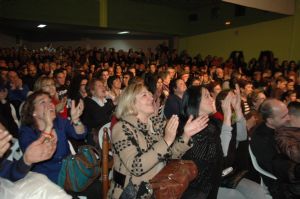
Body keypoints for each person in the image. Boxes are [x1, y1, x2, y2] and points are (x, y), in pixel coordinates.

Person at [109, 82, 209, 199]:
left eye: (150, 94)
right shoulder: (122, 128)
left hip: (158, 187)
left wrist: (186, 135)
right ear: (131, 103)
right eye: (144, 95)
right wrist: (166, 140)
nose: (151, 97)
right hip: (132, 192)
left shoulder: (154, 124)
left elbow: (170, 155)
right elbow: (136, 167)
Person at [19, 90, 87, 184]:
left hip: (71, 172)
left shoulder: (59, 121)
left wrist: (76, 120)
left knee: (96, 188)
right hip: (47, 180)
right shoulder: (27, 132)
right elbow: (41, 153)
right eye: (43, 102)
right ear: (33, 112)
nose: (50, 104)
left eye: (50, 101)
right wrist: (48, 126)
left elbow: (80, 135)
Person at [250, 99, 300, 199]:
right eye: (284, 116)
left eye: (287, 113)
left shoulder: (278, 127)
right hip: (283, 184)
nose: (289, 117)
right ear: (270, 120)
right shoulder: (262, 139)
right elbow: (276, 167)